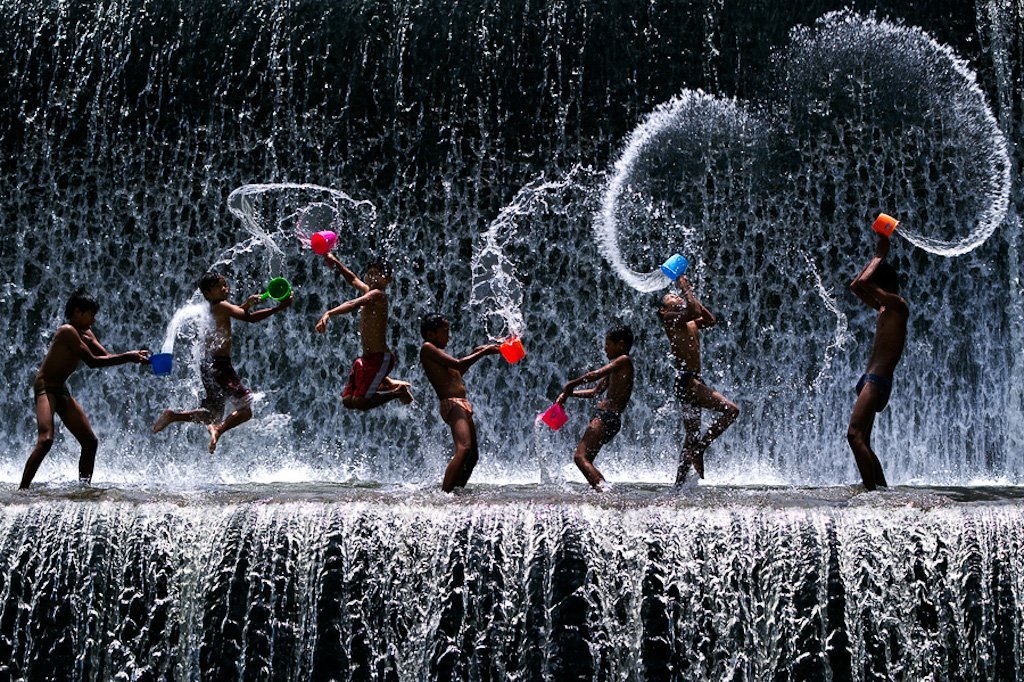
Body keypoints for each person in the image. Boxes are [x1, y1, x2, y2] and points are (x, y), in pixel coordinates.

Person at [20, 289, 150, 489]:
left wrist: (136, 357)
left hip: (61, 389)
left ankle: (83, 489)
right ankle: (23, 489)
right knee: (46, 440)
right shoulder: (67, 331)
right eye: (91, 314)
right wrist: (129, 356)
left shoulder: (86, 333)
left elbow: (104, 355)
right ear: (77, 312)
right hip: (46, 387)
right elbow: (93, 362)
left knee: (90, 442)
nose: (94, 319)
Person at [152, 271, 292, 453]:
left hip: (208, 365)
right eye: (220, 287)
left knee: (213, 414)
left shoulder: (213, 308)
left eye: (225, 284)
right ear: (208, 294)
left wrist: (246, 305)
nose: (226, 288)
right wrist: (279, 308)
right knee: (245, 410)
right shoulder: (222, 305)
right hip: (220, 365)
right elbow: (248, 318)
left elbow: (238, 313)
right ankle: (218, 430)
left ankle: (173, 415)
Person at [658, 275, 739, 485]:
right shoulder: (670, 319)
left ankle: (678, 485)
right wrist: (685, 289)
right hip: (687, 382)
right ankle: (699, 450)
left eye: (675, 294)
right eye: (669, 298)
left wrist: (688, 294)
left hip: (691, 380)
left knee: (692, 434)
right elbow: (693, 311)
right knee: (731, 410)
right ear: (663, 310)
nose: (673, 295)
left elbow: (710, 319)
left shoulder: (687, 319)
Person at [848, 232, 907, 490]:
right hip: (869, 380)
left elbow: (866, 283)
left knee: (853, 436)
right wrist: (876, 257)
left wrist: (880, 255)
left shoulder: (898, 304)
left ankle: (870, 495)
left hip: (877, 381)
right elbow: (856, 285)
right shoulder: (884, 308)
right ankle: (881, 491)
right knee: (864, 441)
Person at [315, 253, 413, 409]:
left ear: (388, 280)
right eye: (370, 274)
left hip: (380, 358)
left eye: (377, 274)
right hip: (367, 358)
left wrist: (329, 313)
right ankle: (386, 382)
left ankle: (397, 392)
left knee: (361, 402)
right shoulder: (368, 290)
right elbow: (352, 278)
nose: (372, 277)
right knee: (347, 400)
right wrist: (336, 262)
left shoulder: (378, 295)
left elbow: (354, 303)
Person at [419, 313, 502, 492]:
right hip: (452, 403)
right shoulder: (427, 348)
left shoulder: (439, 354)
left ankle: (457, 491)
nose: (448, 336)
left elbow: (458, 371)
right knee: (463, 448)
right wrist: (483, 352)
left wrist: (477, 352)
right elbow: (458, 363)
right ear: (431, 334)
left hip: (462, 403)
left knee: (472, 456)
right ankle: (445, 493)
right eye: (445, 331)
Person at [555, 326, 635, 490]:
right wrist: (569, 394)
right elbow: (594, 392)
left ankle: (605, 492)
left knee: (579, 457)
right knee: (586, 460)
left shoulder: (624, 360)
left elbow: (594, 375)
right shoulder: (616, 367)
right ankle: (602, 491)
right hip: (608, 417)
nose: (605, 348)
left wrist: (571, 384)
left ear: (620, 344)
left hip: (606, 417)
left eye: (608, 344)